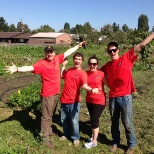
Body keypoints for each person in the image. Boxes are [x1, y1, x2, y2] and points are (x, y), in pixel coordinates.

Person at [4, 42, 86, 148]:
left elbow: (67, 53)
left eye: (51, 52)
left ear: (54, 53)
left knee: (50, 115)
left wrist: (77, 46)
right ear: (45, 53)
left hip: (56, 94)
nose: (50, 54)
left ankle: (50, 131)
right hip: (47, 95)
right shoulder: (41, 63)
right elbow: (30, 67)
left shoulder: (57, 59)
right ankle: (44, 137)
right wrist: (18, 69)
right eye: (48, 52)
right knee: (46, 117)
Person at [100, 32, 154, 154]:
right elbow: (98, 73)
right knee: (114, 122)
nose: (112, 53)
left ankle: (131, 144)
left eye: (114, 50)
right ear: (108, 53)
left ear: (118, 50)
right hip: (113, 96)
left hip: (125, 97)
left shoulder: (126, 57)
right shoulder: (107, 65)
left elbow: (141, 45)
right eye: (110, 51)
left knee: (127, 122)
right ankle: (115, 141)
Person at [59, 52, 99, 147]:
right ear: (73, 60)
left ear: (82, 61)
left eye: (79, 59)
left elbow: (84, 85)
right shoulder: (69, 70)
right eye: (76, 59)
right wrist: (63, 66)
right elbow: (62, 76)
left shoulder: (82, 73)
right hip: (64, 99)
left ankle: (75, 137)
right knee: (63, 119)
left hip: (74, 101)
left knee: (74, 121)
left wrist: (91, 89)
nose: (77, 61)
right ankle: (66, 134)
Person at [84, 55, 108, 149]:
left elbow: (109, 84)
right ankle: (94, 135)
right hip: (89, 100)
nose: (92, 65)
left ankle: (94, 141)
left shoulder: (101, 74)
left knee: (94, 119)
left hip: (100, 100)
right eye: (90, 63)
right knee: (93, 119)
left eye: (94, 64)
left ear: (97, 64)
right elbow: (84, 85)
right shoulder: (86, 74)